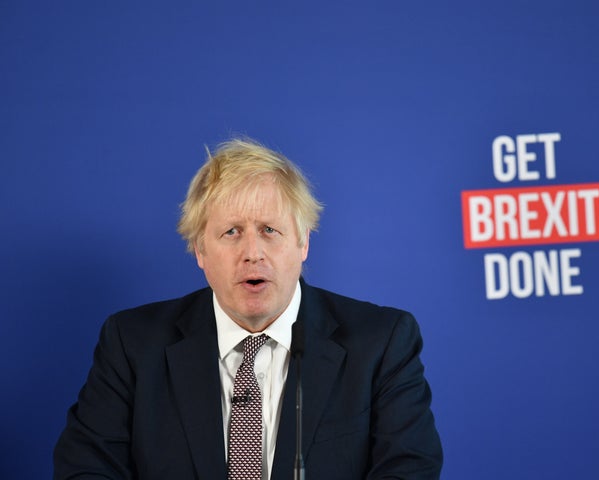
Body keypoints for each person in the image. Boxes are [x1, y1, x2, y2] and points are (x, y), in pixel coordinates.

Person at [54, 138, 443, 479]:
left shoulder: (381, 342)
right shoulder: (132, 346)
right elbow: (86, 469)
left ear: (303, 243)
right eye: (232, 232)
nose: (252, 253)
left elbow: (408, 469)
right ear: (200, 251)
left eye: (269, 230)